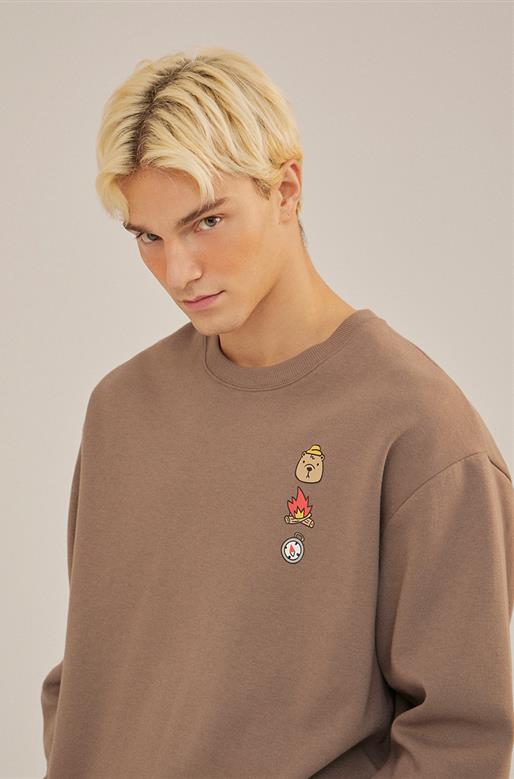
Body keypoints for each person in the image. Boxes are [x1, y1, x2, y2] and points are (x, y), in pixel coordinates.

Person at [39, 46, 514, 778]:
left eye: (206, 221)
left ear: (286, 190)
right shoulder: (122, 410)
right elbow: (91, 675)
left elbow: (460, 741)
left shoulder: (420, 432)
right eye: (149, 236)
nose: (178, 271)